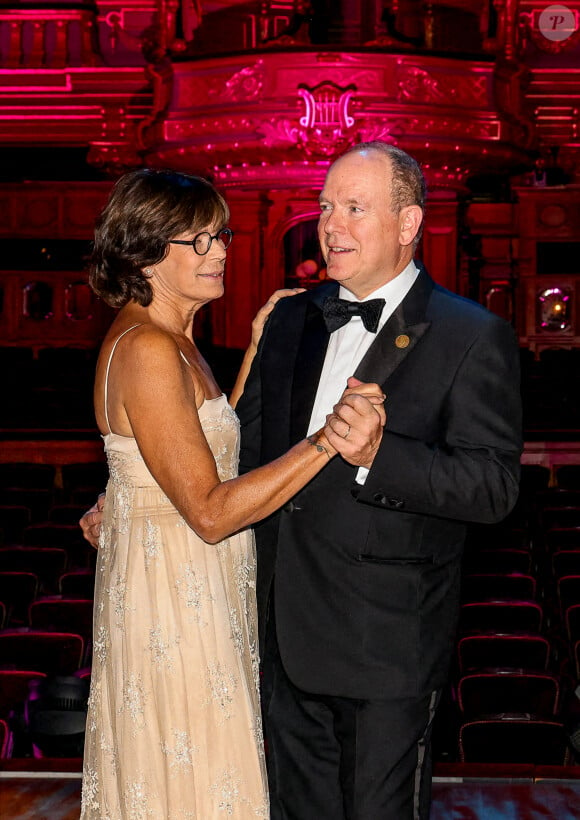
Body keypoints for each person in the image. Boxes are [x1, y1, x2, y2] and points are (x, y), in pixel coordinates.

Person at [78, 167, 385, 819]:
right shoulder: (149, 349)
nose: (221, 251)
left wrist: (250, 350)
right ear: (146, 252)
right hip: (177, 610)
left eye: (222, 235)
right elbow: (212, 513)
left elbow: (207, 439)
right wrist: (328, 438)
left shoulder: (174, 343)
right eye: (201, 241)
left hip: (197, 592)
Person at [233, 141, 523, 819]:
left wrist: (379, 453)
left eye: (356, 208)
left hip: (386, 649)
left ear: (409, 224)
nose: (331, 225)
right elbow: (239, 450)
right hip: (282, 634)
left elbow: (492, 488)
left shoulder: (472, 335)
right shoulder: (288, 318)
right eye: (327, 207)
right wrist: (143, 497)